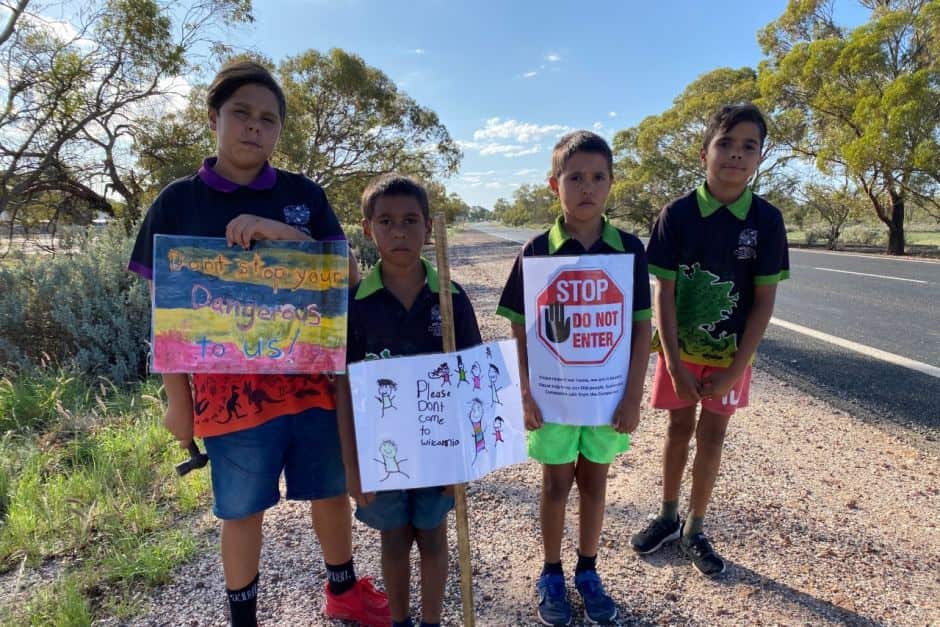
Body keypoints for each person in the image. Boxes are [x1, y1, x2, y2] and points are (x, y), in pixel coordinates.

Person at [128, 61, 390, 627]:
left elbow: (349, 276)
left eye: (268, 119)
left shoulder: (304, 195)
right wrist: (178, 400)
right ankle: (242, 617)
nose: (254, 127)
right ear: (214, 117)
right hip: (229, 396)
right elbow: (166, 312)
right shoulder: (178, 201)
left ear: (279, 131)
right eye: (241, 113)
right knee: (242, 509)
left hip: (315, 381)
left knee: (329, 491)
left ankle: (342, 589)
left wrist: (287, 236)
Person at [496, 131, 652, 626]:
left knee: (595, 484)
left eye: (598, 177)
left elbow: (642, 326)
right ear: (554, 185)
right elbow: (520, 324)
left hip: (606, 400)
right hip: (553, 398)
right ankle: (551, 572)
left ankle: (588, 571)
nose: (587, 187)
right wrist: (523, 389)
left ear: (611, 184)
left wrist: (632, 395)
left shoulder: (628, 249)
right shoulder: (537, 249)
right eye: (575, 177)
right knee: (555, 484)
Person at [630, 103, 789, 578]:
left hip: (731, 359)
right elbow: (665, 290)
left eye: (749, 147)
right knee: (678, 430)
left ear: (760, 156)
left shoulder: (766, 220)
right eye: (726, 144)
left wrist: (735, 371)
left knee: (713, 435)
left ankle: (695, 527)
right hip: (679, 353)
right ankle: (668, 514)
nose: (736, 156)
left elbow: (763, 302)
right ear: (704, 153)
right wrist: (675, 365)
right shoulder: (677, 214)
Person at [335, 174, 482, 627]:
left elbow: (472, 381)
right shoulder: (355, 304)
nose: (398, 231)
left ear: (429, 227)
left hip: (438, 452)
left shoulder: (451, 298)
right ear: (367, 229)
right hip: (381, 454)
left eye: (410, 221)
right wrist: (353, 463)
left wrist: (464, 456)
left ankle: (432, 622)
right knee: (394, 540)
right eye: (386, 222)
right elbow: (342, 386)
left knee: (434, 537)